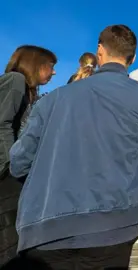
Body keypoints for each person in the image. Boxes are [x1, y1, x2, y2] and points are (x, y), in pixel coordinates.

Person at [9, 24, 138, 269]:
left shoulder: (53, 99)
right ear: (133, 58)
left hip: (44, 233)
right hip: (113, 231)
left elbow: (18, 164)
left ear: (99, 51)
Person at [0, 45, 57, 267]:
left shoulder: (27, 90)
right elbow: (2, 123)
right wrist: (10, 164)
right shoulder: (14, 81)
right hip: (6, 173)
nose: (53, 72)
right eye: (50, 67)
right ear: (36, 64)